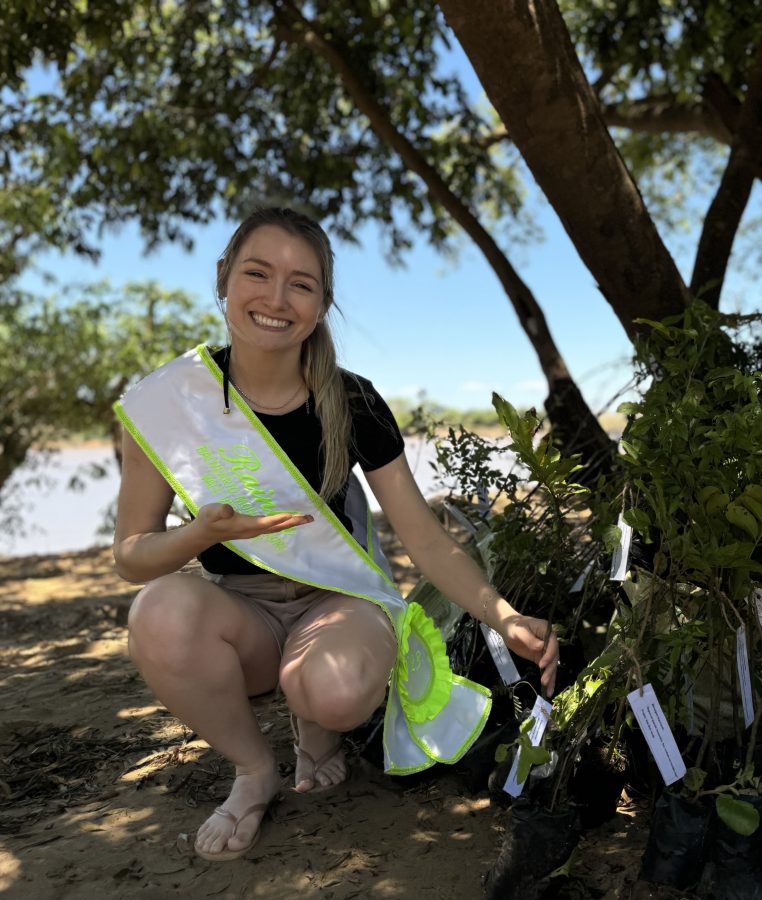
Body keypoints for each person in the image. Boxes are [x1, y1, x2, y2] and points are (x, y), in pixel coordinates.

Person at [112, 207, 559, 861]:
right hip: (242, 612)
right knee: (157, 613)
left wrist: (503, 614)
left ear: (321, 303)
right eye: (257, 273)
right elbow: (132, 556)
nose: (275, 298)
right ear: (223, 278)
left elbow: (425, 539)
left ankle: (317, 729)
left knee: (333, 689)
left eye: (301, 283)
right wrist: (200, 533)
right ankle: (253, 769)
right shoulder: (168, 402)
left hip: (339, 602)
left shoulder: (354, 403)